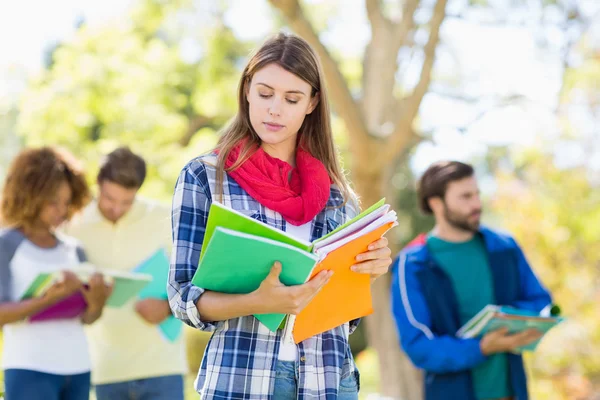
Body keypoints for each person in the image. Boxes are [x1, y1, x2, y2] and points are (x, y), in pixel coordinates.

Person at [168, 32, 393, 399]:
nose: (275, 109)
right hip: (242, 380)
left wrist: (368, 265)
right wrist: (258, 302)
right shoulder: (205, 177)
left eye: (292, 99)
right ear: (246, 90)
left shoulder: (339, 196)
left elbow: (345, 317)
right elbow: (182, 298)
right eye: (265, 93)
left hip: (329, 381)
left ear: (312, 103)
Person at [391, 161, 554, 400]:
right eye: (465, 197)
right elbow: (418, 345)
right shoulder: (413, 263)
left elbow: (540, 301)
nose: (476, 204)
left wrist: (509, 319)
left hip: (512, 393)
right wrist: (481, 347)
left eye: (477, 194)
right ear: (436, 203)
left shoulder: (504, 247)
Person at [65, 147, 187, 400]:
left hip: (163, 368)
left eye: (127, 201)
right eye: (110, 199)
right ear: (98, 184)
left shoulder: (164, 217)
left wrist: (166, 307)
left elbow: (195, 279)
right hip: (106, 371)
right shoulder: (74, 227)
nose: (118, 209)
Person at [0, 147, 111, 400]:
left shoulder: (74, 249)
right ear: (29, 195)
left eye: (66, 202)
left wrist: (97, 302)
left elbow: (87, 319)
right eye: (53, 202)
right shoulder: (6, 244)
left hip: (78, 367)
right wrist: (47, 299)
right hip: (29, 368)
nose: (61, 210)